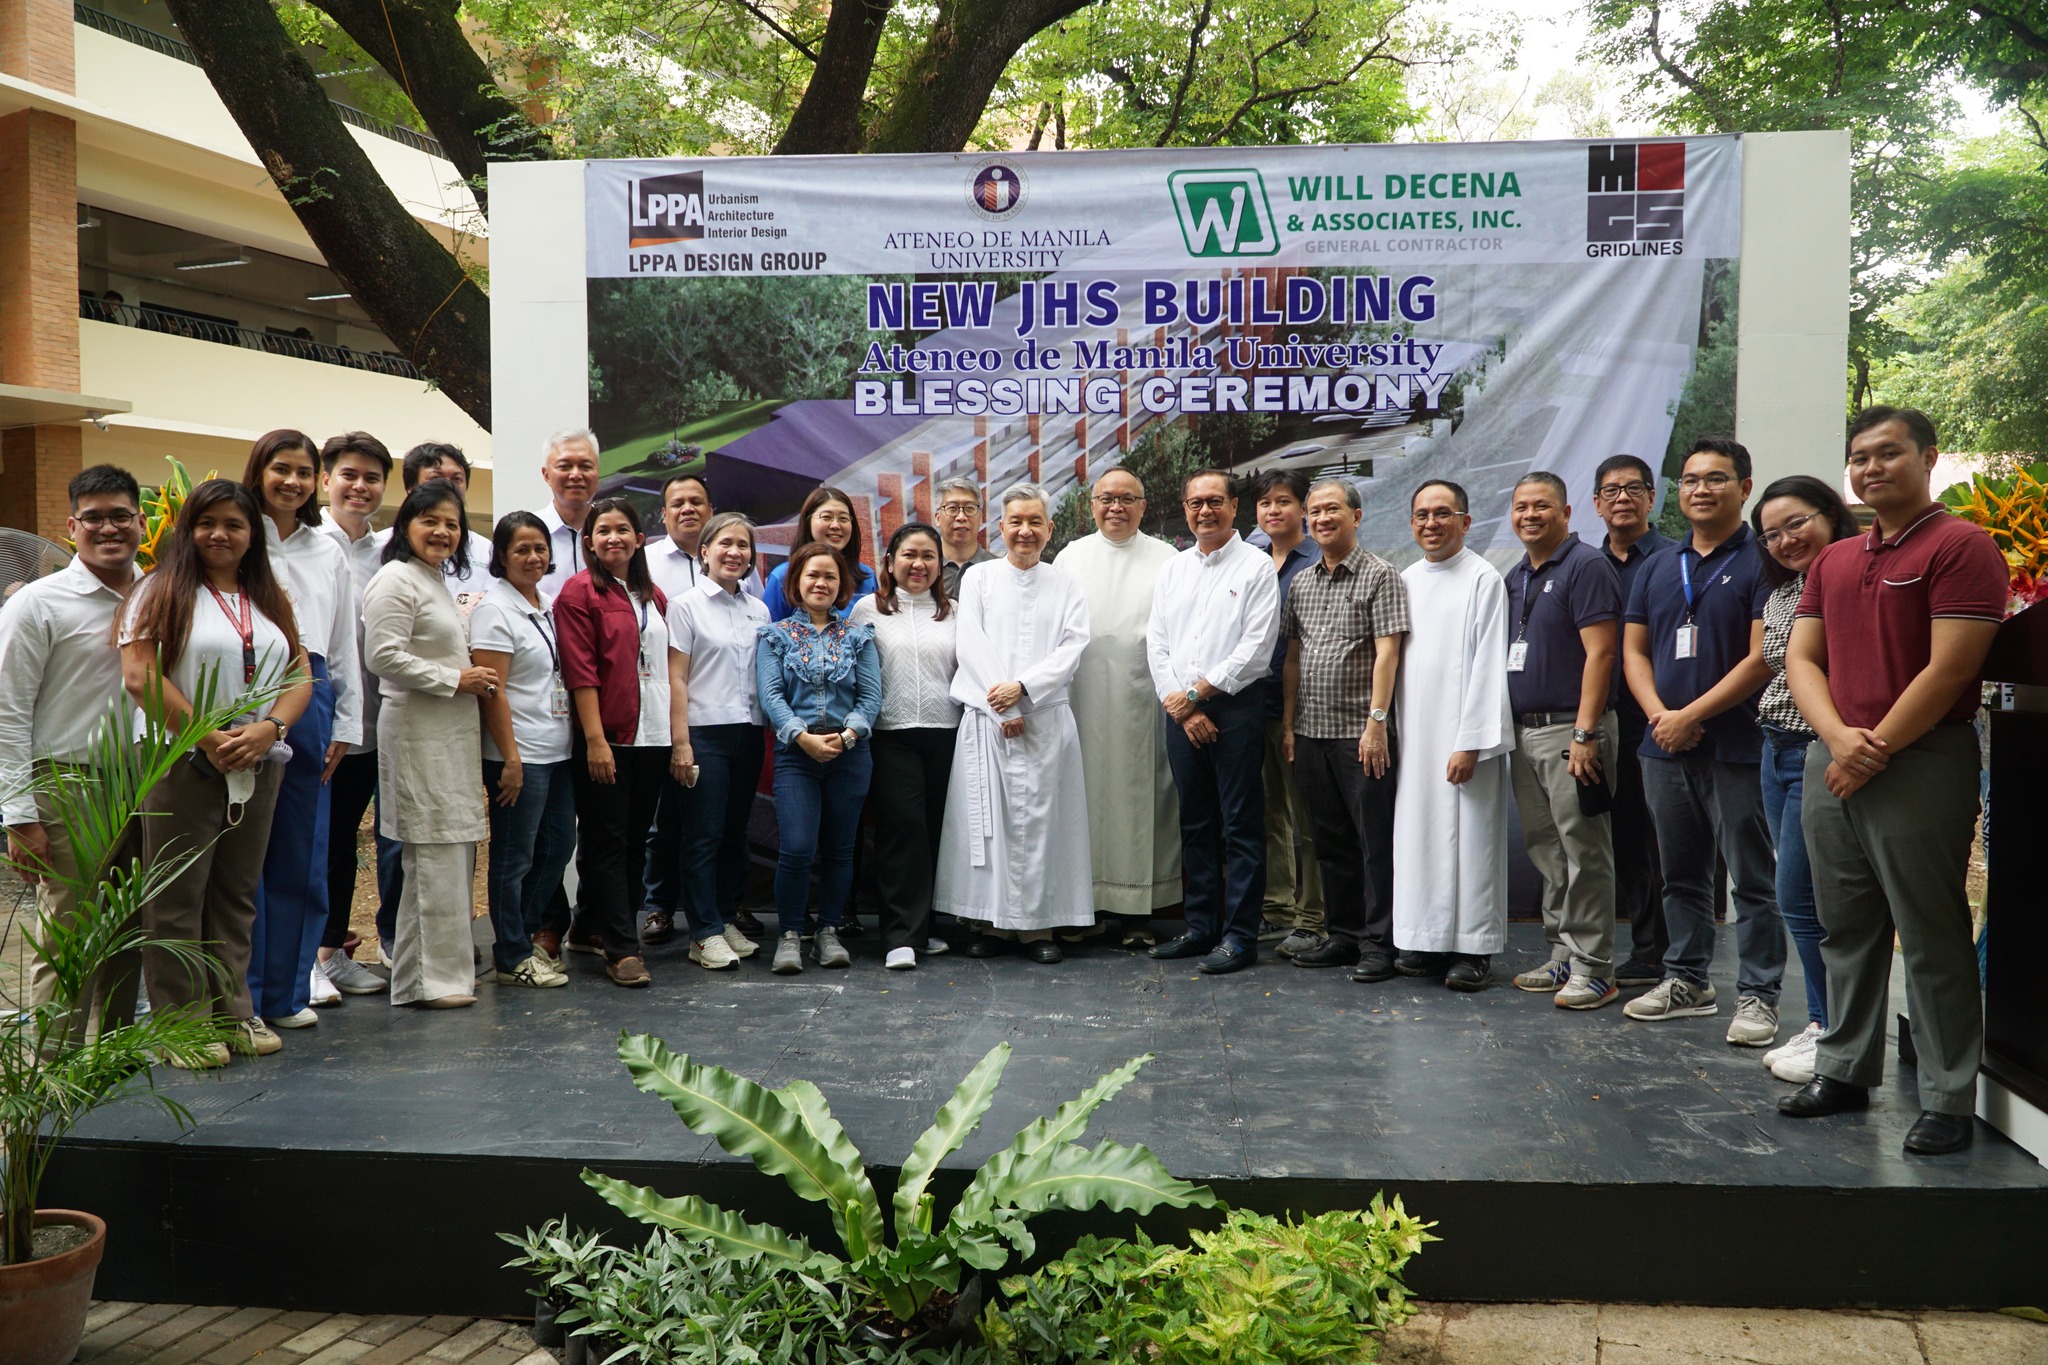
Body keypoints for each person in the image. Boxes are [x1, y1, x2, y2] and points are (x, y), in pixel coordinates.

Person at [1779, 407, 2007, 1156]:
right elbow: (1802, 660)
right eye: (1858, 456)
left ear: (1928, 457)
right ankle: (1844, 1067)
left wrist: (1870, 748)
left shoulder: (1962, 546)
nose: (1871, 468)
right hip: (1834, 759)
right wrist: (1839, 739)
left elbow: (1952, 667)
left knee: (1931, 929)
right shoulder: (1836, 559)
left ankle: (1947, 1094)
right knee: (1845, 924)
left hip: (1920, 761)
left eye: (1888, 453)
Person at [121, 480, 312, 1066]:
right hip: (180, 759)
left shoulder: (267, 596)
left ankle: (233, 1013)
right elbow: (140, 675)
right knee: (177, 897)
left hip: (257, 760)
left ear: (253, 534)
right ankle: (180, 1024)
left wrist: (269, 730)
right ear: (187, 529)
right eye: (207, 523)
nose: (220, 535)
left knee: (235, 894)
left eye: (234, 524)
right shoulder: (159, 589)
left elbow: (301, 674)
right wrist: (208, 737)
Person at [1621, 437, 1785, 1046]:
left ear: (1744, 488)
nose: (1700, 489)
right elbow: (1634, 650)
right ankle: (1687, 979)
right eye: (1690, 480)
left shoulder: (1763, 561)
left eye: (1716, 479)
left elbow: (1763, 655)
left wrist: (1692, 713)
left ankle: (1759, 995)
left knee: (1750, 879)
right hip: (1662, 745)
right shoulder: (1658, 565)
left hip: (1737, 745)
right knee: (1680, 874)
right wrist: (1663, 715)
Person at [0, 466, 144, 1048]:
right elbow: (7, 710)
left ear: (140, 521)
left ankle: (112, 1055)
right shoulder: (38, 603)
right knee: (68, 931)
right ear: (72, 526)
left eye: (120, 516)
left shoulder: (160, 592)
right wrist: (18, 814)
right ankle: (53, 1067)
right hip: (68, 784)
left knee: (129, 925)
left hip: (146, 781)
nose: (108, 528)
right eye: (94, 518)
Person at [934, 486, 1093, 959]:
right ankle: (995, 925)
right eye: (1015, 521)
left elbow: (1073, 647)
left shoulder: (1066, 584)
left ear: (1050, 529)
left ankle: (1038, 929)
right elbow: (970, 644)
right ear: (1000, 527)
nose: (1025, 531)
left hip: (1044, 722)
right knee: (992, 826)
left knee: (1045, 826)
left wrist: (1022, 691)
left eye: (1035, 522)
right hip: (988, 720)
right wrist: (1004, 706)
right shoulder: (981, 578)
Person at [242, 431, 361, 1028]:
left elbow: (341, 643)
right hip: (238, 692)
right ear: (257, 470)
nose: (291, 481)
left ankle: (285, 994)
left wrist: (344, 722)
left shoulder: (327, 549)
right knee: (239, 854)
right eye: (279, 469)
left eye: (303, 472)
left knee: (300, 852)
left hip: (310, 693)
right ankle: (240, 996)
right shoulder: (233, 534)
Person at [363, 483, 497, 1008]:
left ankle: (445, 975)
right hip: (418, 730)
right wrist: (456, 678)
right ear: (406, 526)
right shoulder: (395, 579)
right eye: (430, 521)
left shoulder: (433, 579)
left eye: (453, 523)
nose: (443, 531)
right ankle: (425, 982)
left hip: (449, 732)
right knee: (430, 851)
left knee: (452, 848)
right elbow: (382, 655)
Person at [1145, 470, 1281, 977]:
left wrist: (1197, 695)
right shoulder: (1173, 569)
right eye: (1195, 503)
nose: (1205, 511)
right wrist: (1179, 703)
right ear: (1184, 509)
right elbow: (1156, 643)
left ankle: (1240, 936)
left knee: (1241, 824)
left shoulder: (1255, 567)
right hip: (1180, 710)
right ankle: (1200, 926)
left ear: (1233, 506)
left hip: (1236, 709)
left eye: (1215, 502)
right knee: (1195, 822)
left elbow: (1255, 649)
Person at [1748, 475, 1860, 1083]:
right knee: (1798, 896)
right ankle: (1824, 1021)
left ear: (1830, 514)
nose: (1785, 540)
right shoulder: (1786, 592)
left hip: (1823, 749)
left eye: (1796, 524)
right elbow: (1771, 664)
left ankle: (1830, 1028)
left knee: (1805, 898)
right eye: (1771, 534)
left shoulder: (1854, 580)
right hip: (1776, 748)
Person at [1501, 472, 1624, 1009]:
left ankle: (1595, 967)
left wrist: (1584, 732)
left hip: (1571, 732)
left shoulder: (1586, 565)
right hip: (1526, 732)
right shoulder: (1517, 575)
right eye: (1522, 506)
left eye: (1542, 506)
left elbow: (1602, 653)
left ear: (1567, 513)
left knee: (1584, 850)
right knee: (1546, 849)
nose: (1531, 515)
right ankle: (1563, 955)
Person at [1279, 479, 1409, 982]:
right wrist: (1288, 725)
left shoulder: (1381, 575)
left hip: (1361, 734)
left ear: (1356, 516)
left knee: (1373, 841)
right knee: (1328, 840)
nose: (1322, 519)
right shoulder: (1303, 582)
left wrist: (1376, 723)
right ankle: (1344, 935)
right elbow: (1292, 658)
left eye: (1333, 509)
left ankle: (1380, 944)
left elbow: (1388, 653)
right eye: (1315, 512)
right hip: (1311, 732)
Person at [1389, 480, 1513, 990]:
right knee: (1419, 837)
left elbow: (1489, 665)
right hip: (1416, 735)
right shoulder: (1407, 579)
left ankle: (1474, 949)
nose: (1431, 524)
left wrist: (1471, 742)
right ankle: (1427, 938)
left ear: (1465, 521)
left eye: (1443, 514)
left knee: (1472, 839)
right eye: (1422, 515)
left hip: (1463, 739)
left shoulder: (1483, 579)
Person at [555, 497, 675, 987]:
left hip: (653, 735)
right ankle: (622, 950)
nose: (613, 538)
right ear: (589, 541)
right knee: (607, 842)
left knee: (633, 842)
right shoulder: (578, 593)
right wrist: (596, 741)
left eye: (623, 529)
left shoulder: (652, 595)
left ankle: (589, 927)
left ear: (639, 538)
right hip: (608, 737)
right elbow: (580, 674)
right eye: (602, 531)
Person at [1058, 467, 1180, 939]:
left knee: (1140, 798)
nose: (1116, 507)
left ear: (1143, 506)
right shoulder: (1070, 557)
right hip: (1081, 697)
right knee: (1083, 796)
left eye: (1127, 498)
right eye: (1106, 498)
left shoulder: (1167, 558)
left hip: (1144, 698)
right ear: (1091, 505)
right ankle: (1080, 907)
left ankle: (1136, 914)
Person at [757, 541, 881, 974]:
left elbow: (871, 697)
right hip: (797, 755)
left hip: (850, 754)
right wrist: (801, 737)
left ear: (842, 585)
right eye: (812, 575)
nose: (821, 583)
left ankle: (828, 931)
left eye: (830, 576)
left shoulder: (860, 636)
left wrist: (848, 736)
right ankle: (790, 934)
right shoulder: (775, 635)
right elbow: (771, 695)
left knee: (840, 849)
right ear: (796, 582)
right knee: (796, 848)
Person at [468, 512, 574, 990]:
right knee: (514, 857)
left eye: (540, 549)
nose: (533, 558)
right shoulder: (495, 609)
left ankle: (524, 937)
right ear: (502, 557)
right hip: (520, 754)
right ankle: (511, 955)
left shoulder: (545, 604)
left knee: (557, 847)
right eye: (522, 550)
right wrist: (510, 759)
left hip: (557, 750)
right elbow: (493, 690)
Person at [851, 523, 960, 970]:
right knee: (902, 830)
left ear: (939, 564)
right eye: (909, 555)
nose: (919, 564)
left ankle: (926, 927)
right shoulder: (866, 610)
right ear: (890, 561)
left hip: (948, 732)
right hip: (891, 734)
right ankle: (899, 935)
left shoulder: (955, 611)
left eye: (929, 557)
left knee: (937, 830)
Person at [666, 512, 772, 970]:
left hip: (748, 733)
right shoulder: (685, 605)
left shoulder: (758, 608)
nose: (734, 553)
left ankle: (725, 918)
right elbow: (676, 677)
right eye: (725, 544)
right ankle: (703, 932)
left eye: (743, 546)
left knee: (734, 836)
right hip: (703, 733)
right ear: (704, 551)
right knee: (704, 835)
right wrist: (680, 742)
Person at [315, 432, 396, 997]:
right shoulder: (298, 543)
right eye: (349, 475)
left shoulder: (388, 553)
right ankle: (300, 963)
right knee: (305, 842)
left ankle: (331, 951)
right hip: (306, 722)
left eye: (371, 478)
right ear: (326, 480)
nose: (359, 487)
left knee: (343, 841)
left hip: (367, 728)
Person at [1593, 454, 1672, 985]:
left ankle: (1683, 953)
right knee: (1627, 838)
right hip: (1605, 722)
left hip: (1665, 718)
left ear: (1651, 497)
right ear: (1597, 503)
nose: (1622, 498)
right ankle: (1648, 950)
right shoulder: (1582, 563)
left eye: (1633, 489)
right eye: (1611, 491)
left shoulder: (1673, 558)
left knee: (1671, 839)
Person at [1244, 469, 1326, 957]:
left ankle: (1313, 914)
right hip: (1253, 703)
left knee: (1308, 816)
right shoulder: (1250, 563)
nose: (1273, 511)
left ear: (1303, 508)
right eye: (1265, 504)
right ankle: (1276, 907)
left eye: (1284, 502)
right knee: (1267, 811)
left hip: (1307, 707)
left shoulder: (1320, 559)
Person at [643, 470, 714, 947]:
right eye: (678, 503)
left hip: (714, 712)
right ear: (664, 514)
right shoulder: (645, 562)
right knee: (663, 817)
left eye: (697, 502)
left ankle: (725, 905)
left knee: (719, 819)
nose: (688, 509)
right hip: (657, 705)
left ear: (710, 510)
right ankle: (658, 907)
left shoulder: (731, 560)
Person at [372, 442, 494, 602]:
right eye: (436, 478)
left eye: (457, 479)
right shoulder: (380, 547)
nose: (447, 486)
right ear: (410, 488)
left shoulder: (485, 550)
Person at [763, 486, 879, 623]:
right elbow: (770, 634)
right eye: (826, 517)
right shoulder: (783, 576)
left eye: (843, 518)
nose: (836, 525)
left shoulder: (867, 576)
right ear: (808, 521)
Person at [537, 428, 601, 599]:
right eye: (564, 466)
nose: (575, 474)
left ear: (598, 472)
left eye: (585, 466)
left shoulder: (612, 534)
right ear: (546, 475)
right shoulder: (528, 533)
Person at [933, 476, 994, 597]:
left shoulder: (997, 568)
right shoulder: (925, 569)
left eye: (970, 508)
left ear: (981, 518)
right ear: (937, 518)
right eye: (952, 508)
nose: (961, 517)